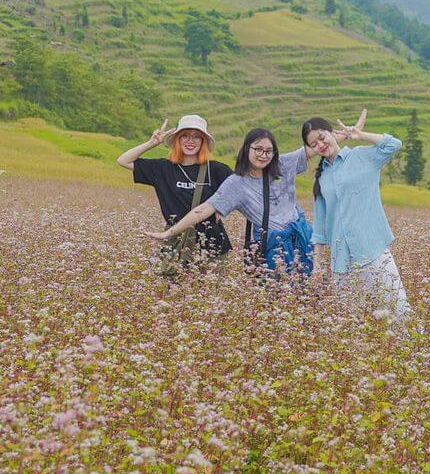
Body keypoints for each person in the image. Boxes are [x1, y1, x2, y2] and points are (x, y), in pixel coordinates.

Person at [146, 128, 314, 277]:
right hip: (273, 244)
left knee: (308, 281)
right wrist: (169, 233)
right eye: (258, 149)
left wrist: (328, 136)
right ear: (247, 149)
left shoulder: (282, 164)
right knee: (278, 288)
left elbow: (315, 148)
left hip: (302, 235)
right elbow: (204, 209)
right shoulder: (236, 183)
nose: (263, 155)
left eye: (269, 151)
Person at [303, 110, 413, 325]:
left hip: (373, 250)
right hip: (341, 262)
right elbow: (320, 228)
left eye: (322, 138)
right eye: (314, 144)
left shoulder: (362, 156)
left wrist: (359, 135)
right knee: (351, 322)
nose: (320, 145)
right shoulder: (321, 178)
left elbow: (393, 144)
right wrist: (317, 266)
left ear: (332, 133)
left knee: (399, 311)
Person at [118, 114, 232, 270]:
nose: (190, 141)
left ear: (203, 142)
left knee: (209, 286)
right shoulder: (162, 168)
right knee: (171, 283)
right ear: (177, 140)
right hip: (176, 242)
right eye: (185, 136)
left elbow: (240, 190)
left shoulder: (217, 169)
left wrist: (223, 206)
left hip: (212, 246)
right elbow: (123, 160)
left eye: (196, 137)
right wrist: (151, 143)